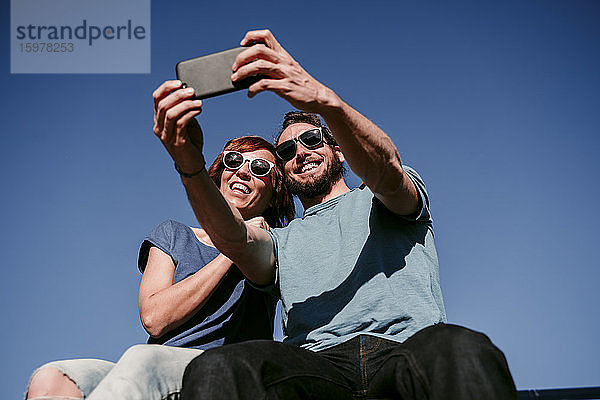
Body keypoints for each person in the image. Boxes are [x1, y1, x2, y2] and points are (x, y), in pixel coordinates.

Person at [153, 29, 517, 399]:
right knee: (219, 366)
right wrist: (190, 165)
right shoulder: (281, 240)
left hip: (407, 348)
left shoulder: (379, 197)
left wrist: (325, 102)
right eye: (286, 152)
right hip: (316, 365)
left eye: (312, 140)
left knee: (459, 347)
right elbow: (235, 239)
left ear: (339, 151)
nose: (300, 152)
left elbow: (387, 170)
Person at [25, 135, 295, 400]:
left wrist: (250, 242)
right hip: (158, 365)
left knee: (143, 359)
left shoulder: (274, 248)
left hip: (221, 370)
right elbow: (155, 319)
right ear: (219, 175)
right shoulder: (174, 234)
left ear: (274, 194)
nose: (243, 171)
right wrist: (234, 247)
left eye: (259, 168)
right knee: (53, 378)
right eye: (233, 161)